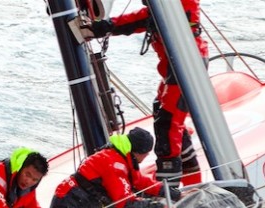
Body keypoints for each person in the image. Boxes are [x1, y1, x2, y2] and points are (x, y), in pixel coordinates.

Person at [85, 0, 206, 192]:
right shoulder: (162, 10)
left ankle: (169, 192)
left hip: (186, 64)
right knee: (166, 118)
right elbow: (144, 19)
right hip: (178, 67)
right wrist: (106, 26)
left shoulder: (172, 7)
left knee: (168, 127)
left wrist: (107, 26)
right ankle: (193, 184)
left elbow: (147, 18)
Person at [46, 127, 167, 208]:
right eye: (147, 152)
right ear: (140, 152)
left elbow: (139, 182)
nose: (147, 156)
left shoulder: (120, 157)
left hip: (78, 204)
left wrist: (170, 193)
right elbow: (126, 205)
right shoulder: (115, 165)